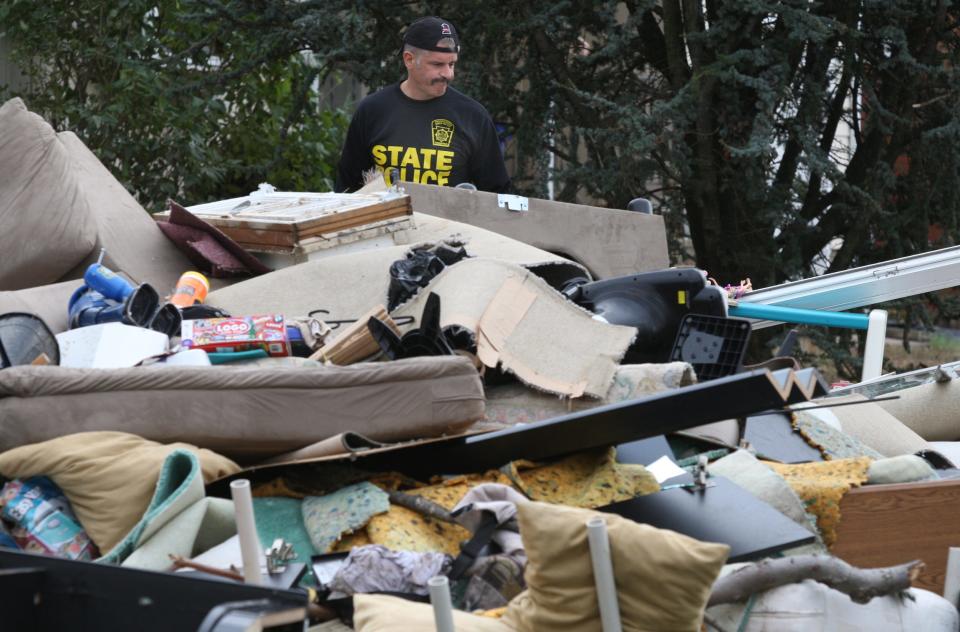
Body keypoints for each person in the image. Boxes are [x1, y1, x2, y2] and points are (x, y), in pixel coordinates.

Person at [334, 16, 510, 193]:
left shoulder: (473, 116)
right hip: (386, 220)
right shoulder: (372, 110)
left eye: (452, 64)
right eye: (437, 64)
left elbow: (496, 194)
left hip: (448, 221)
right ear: (409, 59)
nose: (448, 74)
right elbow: (347, 189)